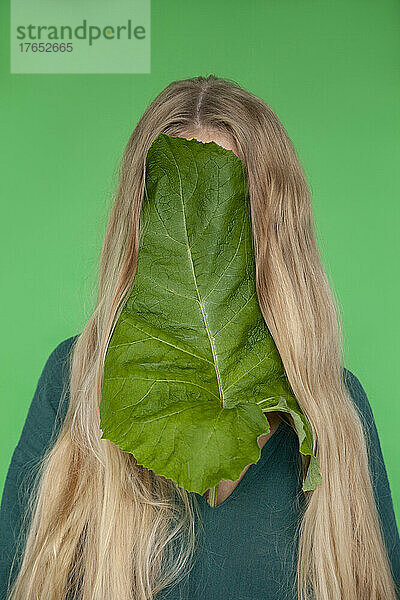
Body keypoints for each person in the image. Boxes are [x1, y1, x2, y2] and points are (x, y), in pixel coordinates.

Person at [0, 74, 399, 600]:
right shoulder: (73, 382)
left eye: (226, 215)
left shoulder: (338, 412)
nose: (201, 256)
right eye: (175, 216)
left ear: (276, 235)